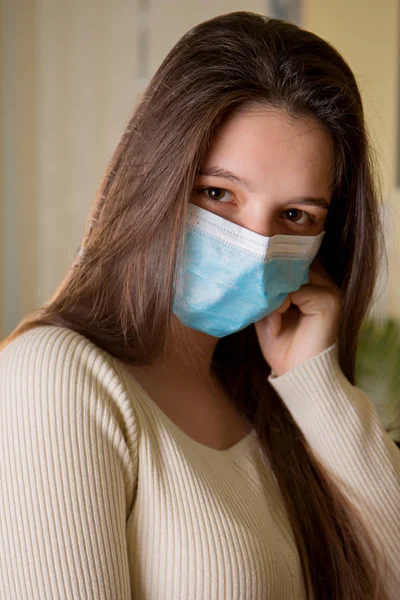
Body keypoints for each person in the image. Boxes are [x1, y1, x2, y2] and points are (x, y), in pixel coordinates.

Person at [0, 11, 399, 600]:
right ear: (153, 180)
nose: (256, 244)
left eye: (296, 216)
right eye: (218, 194)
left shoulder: (267, 397)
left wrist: (317, 385)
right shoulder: (57, 378)